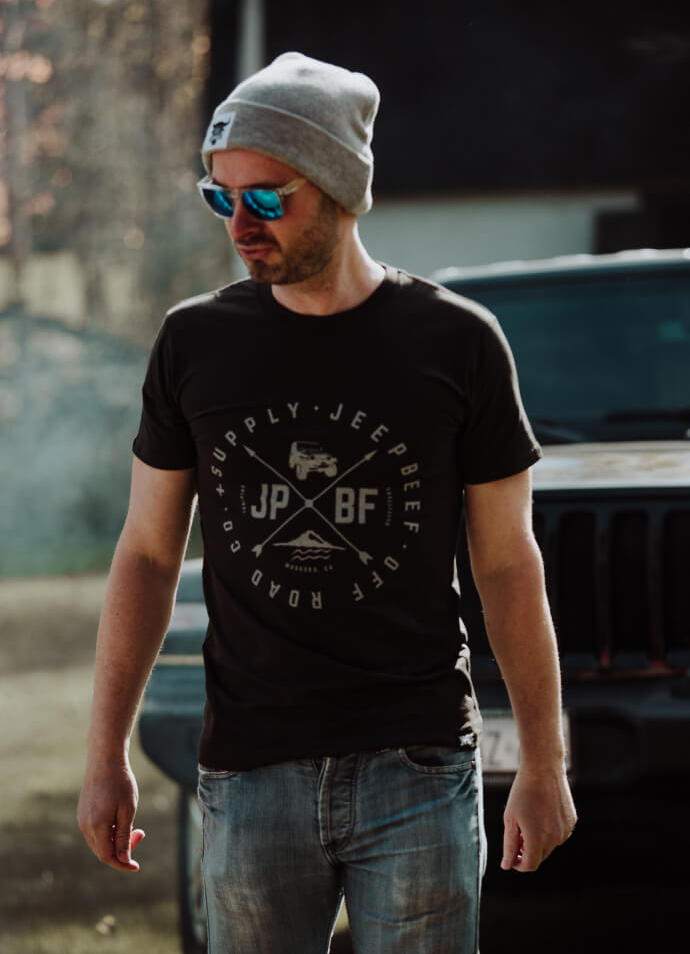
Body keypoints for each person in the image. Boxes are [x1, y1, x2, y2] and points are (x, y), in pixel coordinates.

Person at [78, 52, 576, 954]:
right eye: (220, 196)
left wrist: (544, 761)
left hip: (417, 767)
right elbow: (148, 553)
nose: (240, 224)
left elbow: (508, 564)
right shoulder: (194, 343)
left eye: (267, 198)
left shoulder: (459, 343)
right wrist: (106, 752)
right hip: (249, 773)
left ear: (342, 189)